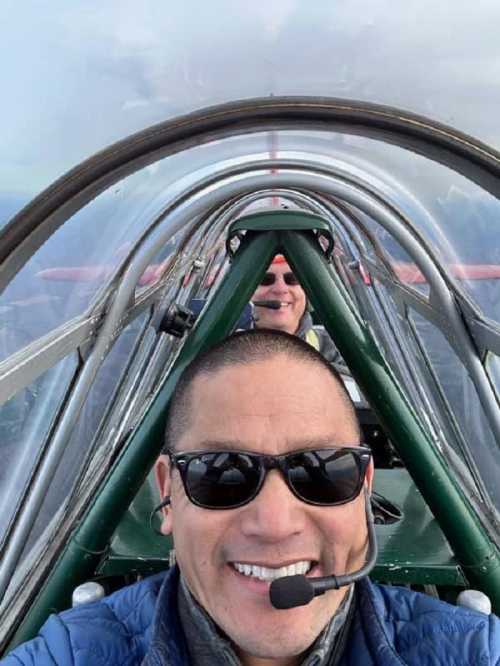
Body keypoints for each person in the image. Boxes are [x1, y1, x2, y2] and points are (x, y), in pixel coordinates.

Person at [3, 330, 499, 665]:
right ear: (167, 495)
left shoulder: (474, 651)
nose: (275, 522)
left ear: (364, 490)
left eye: (322, 471)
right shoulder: (71, 653)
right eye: (220, 474)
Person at [251, 255, 341, 365]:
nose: (280, 289)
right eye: (265, 279)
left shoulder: (339, 349)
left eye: (292, 279)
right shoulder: (226, 349)